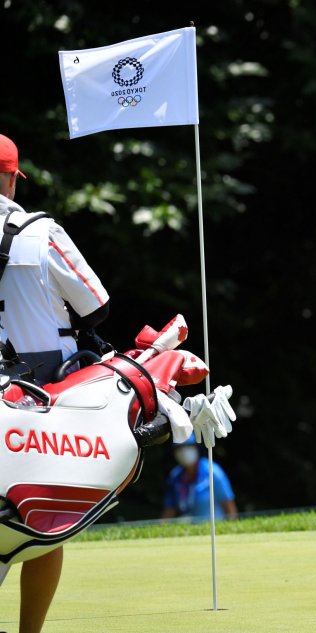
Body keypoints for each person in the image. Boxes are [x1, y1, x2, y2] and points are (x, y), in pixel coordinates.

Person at [0, 132, 111, 633]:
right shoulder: (41, 233)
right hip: (43, 394)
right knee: (45, 521)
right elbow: (96, 305)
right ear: (11, 179)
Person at [160, 434, 238, 522]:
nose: (184, 452)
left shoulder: (212, 471)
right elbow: (169, 511)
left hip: (216, 524)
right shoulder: (175, 476)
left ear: (196, 448)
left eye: (188, 446)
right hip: (188, 527)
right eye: (179, 448)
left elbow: (229, 507)